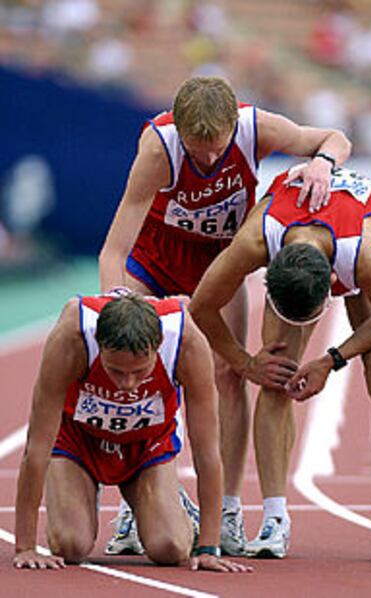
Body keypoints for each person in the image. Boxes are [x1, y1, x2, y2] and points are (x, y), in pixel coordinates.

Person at [99, 75, 352, 556]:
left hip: (218, 265)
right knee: (137, 373)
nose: (209, 160)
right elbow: (114, 247)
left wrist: (322, 164)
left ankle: (230, 510)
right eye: (198, 151)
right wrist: (117, 302)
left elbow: (334, 139)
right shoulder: (159, 147)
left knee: (230, 373)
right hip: (153, 264)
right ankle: (136, 507)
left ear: (232, 127)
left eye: (217, 150)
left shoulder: (256, 127)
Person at [189, 166, 371, 563]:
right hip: (298, 231)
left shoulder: (365, 260)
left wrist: (332, 359)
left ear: (331, 282)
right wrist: (245, 364)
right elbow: (202, 307)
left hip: (355, 225)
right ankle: (274, 517)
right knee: (276, 372)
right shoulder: (254, 240)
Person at [13, 291, 251, 572]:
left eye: (140, 372)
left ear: (158, 346)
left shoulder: (186, 341)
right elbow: (37, 447)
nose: (127, 384)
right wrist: (25, 547)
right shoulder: (71, 337)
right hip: (78, 440)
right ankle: (86, 491)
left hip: (148, 444)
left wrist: (209, 547)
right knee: (70, 546)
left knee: (170, 548)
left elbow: (207, 451)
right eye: (115, 371)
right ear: (98, 345)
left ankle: (173, 509)